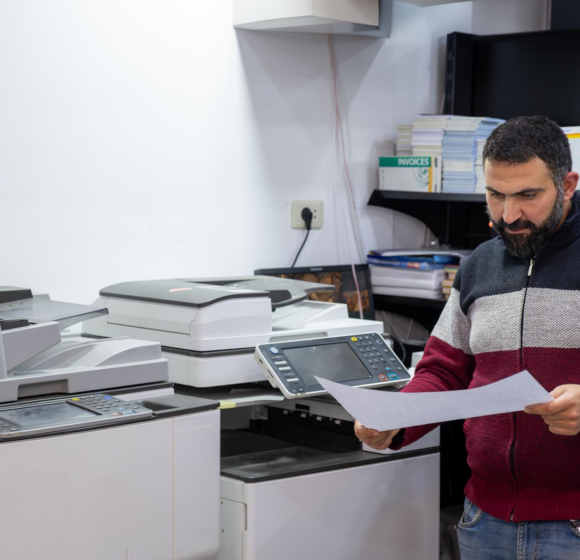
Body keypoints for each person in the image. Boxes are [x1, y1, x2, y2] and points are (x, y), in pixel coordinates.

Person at [355, 116, 580, 559]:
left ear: (568, 185)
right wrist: (394, 418)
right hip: (484, 520)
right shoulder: (479, 265)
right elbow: (443, 371)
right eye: (495, 195)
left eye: (527, 196)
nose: (508, 216)